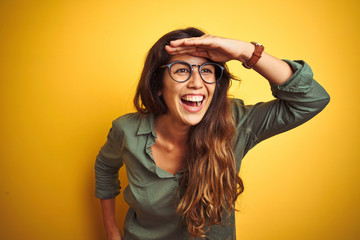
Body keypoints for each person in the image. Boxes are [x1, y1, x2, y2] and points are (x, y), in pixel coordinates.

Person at [95, 27, 330, 240]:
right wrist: (112, 231)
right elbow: (105, 166)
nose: (197, 83)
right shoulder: (126, 130)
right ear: (157, 85)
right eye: (181, 70)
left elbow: (311, 99)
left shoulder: (236, 123)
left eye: (207, 70)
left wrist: (245, 52)